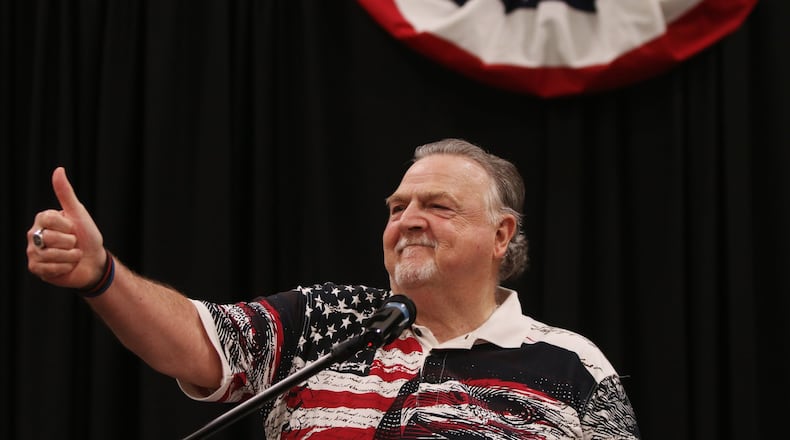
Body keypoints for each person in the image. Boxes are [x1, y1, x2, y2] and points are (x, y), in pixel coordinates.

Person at [27, 138, 641, 438]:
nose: (408, 221)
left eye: (438, 206)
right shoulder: (328, 318)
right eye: (397, 207)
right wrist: (102, 274)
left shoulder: (573, 367)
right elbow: (195, 342)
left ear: (501, 234)